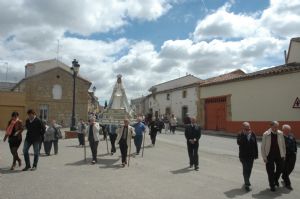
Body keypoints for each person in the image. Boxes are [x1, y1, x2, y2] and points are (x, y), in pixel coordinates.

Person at [261, 121, 286, 192]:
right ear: (271, 126)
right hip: (269, 155)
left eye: (277, 127)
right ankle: (272, 185)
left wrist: (284, 154)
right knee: (270, 171)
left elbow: (283, 145)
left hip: (279, 155)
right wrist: (264, 157)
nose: (276, 128)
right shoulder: (266, 134)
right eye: (275, 127)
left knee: (280, 169)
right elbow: (263, 147)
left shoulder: (280, 133)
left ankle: (275, 179)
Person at [237, 122, 258, 191]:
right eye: (246, 129)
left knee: (249, 169)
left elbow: (255, 145)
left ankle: (247, 179)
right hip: (243, 156)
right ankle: (247, 183)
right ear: (243, 128)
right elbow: (239, 143)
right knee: (245, 169)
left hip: (251, 156)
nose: (248, 130)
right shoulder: (240, 134)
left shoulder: (253, 134)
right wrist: (244, 136)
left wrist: (256, 155)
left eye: (249, 128)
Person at [281, 124, 297, 190]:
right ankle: (288, 184)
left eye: (289, 130)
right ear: (283, 130)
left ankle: (284, 176)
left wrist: (295, 150)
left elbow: (295, 143)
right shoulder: (280, 137)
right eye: (287, 130)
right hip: (285, 155)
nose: (288, 131)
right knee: (285, 169)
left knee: (291, 168)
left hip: (292, 155)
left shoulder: (291, 135)